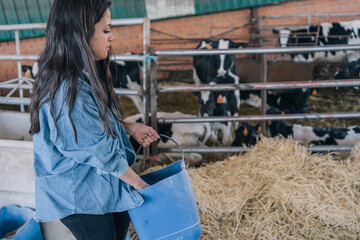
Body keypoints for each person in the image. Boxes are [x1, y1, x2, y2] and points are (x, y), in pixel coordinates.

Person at [28, 0, 160, 239]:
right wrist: (141, 186)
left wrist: (129, 128)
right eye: (106, 30)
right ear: (81, 33)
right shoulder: (67, 89)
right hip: (81, 196)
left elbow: (91, 124)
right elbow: (100, 151)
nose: (112, 37)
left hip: (98, 187)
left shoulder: (80, 76)